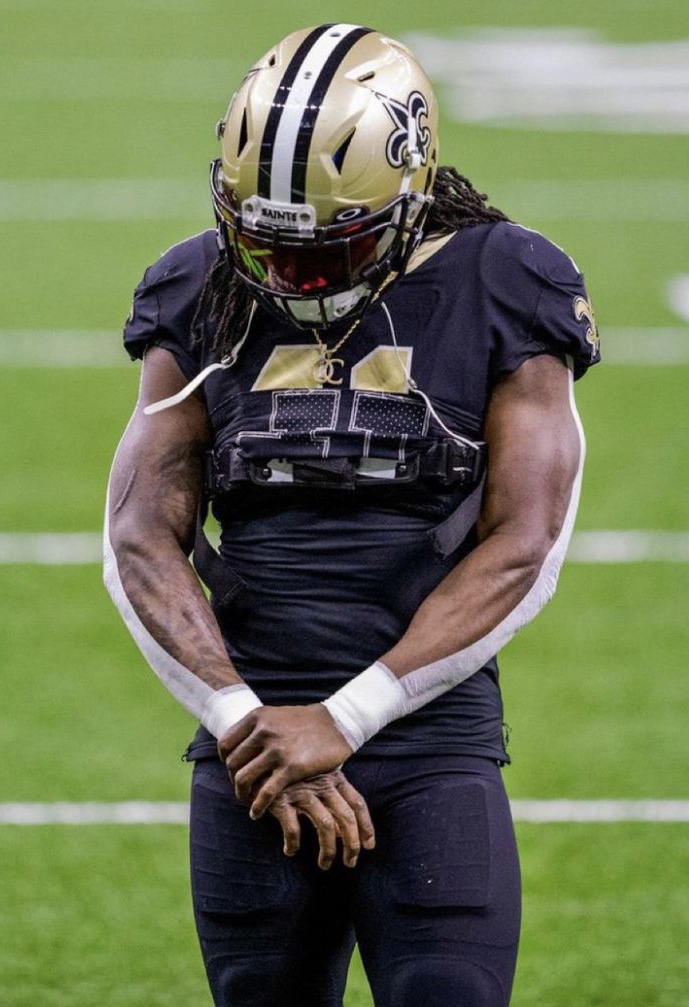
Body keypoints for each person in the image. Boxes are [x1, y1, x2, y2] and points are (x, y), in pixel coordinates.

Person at [104, 23, 599, 1007]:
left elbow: (525, 543)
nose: (289, 279)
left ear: (410, 195)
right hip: (250, 759)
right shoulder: (197, 284)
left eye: (325, 252)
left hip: (427, 746)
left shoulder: (510, 280)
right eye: (266, 245)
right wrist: (253, 723)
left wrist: (347, 715)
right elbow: (138, 537)